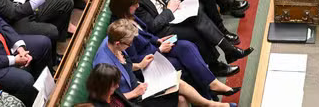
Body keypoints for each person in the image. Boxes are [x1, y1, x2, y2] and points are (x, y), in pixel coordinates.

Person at [107, 0, 240, 99]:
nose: (137, 6)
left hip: (156, 47)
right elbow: (133, 59)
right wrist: (159, 50)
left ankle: (213, 84)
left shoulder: (130, 14)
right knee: (181, 65)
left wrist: (157, 40)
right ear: (124, 6)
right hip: (148, 62)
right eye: (134, 4)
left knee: (188, 46)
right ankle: (208, 98)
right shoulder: (119, 27)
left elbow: (146, 33)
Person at [93, 19, 223, 107]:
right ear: (118, 43)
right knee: (179, 90)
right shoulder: (103, 65)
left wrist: (140, 65)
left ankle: (209, 104)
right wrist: (134, 93)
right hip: (134, 99)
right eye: (129, 43)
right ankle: (209, 104)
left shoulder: (113, 42)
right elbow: (107, 99)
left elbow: (124, 66)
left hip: (140, 87)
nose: (131, 45)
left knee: (181, 96)